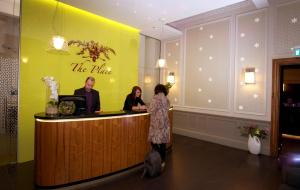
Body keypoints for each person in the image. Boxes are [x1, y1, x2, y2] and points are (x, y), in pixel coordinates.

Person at [147, 84, 170, 168]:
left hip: (157, 123)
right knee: (163, 143)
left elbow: (150, 110)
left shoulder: (155, 98)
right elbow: (167, 108)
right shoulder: (166, 99)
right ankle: (163, 161)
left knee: (153, 141)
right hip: (165, 123)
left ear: (156, 90)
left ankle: (158, 158)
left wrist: (147, 106)